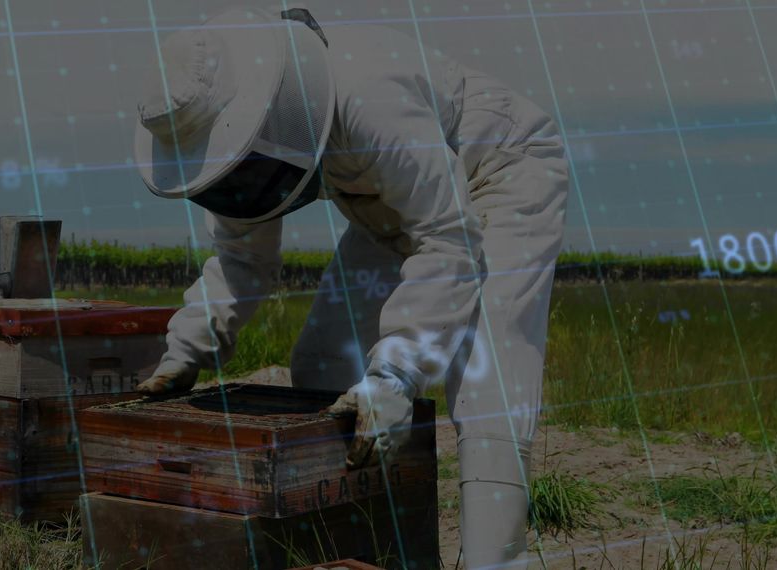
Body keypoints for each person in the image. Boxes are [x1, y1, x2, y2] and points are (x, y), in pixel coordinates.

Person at [131, 6, 567, 568]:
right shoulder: (245, 137)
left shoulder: (372, 95)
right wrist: (185, 348)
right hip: (392, 206)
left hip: (498, 173)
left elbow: (450, 240)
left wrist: (395, 374)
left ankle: (496, 560)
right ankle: (365, 546)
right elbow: (240, 256)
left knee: (486, 375)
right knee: (322, 360)